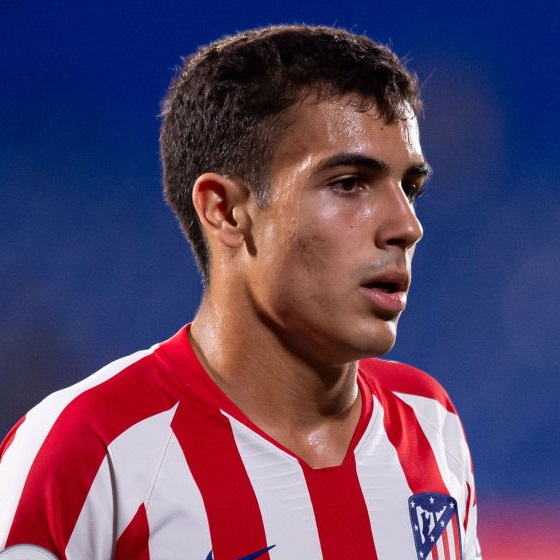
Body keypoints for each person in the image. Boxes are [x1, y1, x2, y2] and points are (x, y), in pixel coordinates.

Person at [0, 24, 482, 559]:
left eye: (409, 187)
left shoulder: (429, 421)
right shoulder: (89, 450)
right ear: (226, 211)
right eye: (348, 183)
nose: (407, 226)